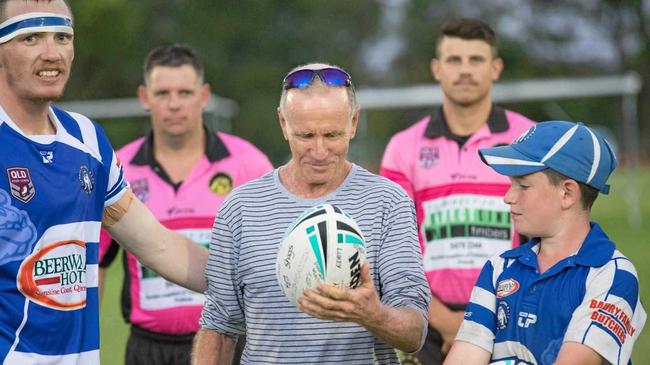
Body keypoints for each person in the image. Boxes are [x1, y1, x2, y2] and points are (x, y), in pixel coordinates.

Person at [0, 1, 207, 364]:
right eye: (31, 37)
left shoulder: (87, 140)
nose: (52, 53)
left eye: (62, 37)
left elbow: (158, 245)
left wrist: (252, 277)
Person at [191, 63, 431, 365]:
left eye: (332, 135)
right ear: (283, 123)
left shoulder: (388, 202)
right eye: (305, 136)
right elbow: (219, 327)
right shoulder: (240, 208)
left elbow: (415, 333)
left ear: (354, 123)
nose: (319, 151)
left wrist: (374, 315)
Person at [98, 44, 273, 365]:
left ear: (204, 95)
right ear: (144, 96)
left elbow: (274, 259)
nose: (174, 104)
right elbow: (94, 263)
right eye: (163, 93)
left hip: (228, 344)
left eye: (185, 92)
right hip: (147, 349)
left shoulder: (249, 164)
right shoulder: (116, 167)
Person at [380, 18, 535, 364]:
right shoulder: (403, 148)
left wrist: (486, 319)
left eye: (476, 60)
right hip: (429, 327)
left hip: (512, 322)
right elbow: (391, 249)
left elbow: (548, 240)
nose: (465, 70)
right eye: (454, 60)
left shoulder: (530, 140)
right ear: (437, 68)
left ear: (495, 68)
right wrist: (447, 323)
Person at [444, 121, 647, 364]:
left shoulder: (611, 274)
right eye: (511, 185)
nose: (508, 197)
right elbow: (465, 356)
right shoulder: (499, 268)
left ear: (567, 193)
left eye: (523, 186)